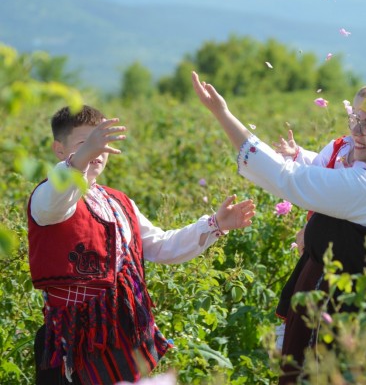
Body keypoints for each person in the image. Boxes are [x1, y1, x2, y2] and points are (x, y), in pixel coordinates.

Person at [191, 73, 366, 384]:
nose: (356, 130)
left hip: (344, 314)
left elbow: (287, 179)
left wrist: (223, 114)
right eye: (355, 119)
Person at [28, 105, 256, 385]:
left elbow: (161, 245)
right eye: (85, 144)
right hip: (74, 343)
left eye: (101, 143)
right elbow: (56, 200)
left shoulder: (119, 201)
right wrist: (84, 156)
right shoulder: (46, 197)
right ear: (59, 150)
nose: (97, 152)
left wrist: (215, 224)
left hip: (122, 336)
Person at [271, 86, 366, 351]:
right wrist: (298, 156)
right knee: (303, 285)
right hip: (322, 244)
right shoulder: (338, 147)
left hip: (353, 253)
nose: (357, 130)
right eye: (354, 119)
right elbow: (317, 170)